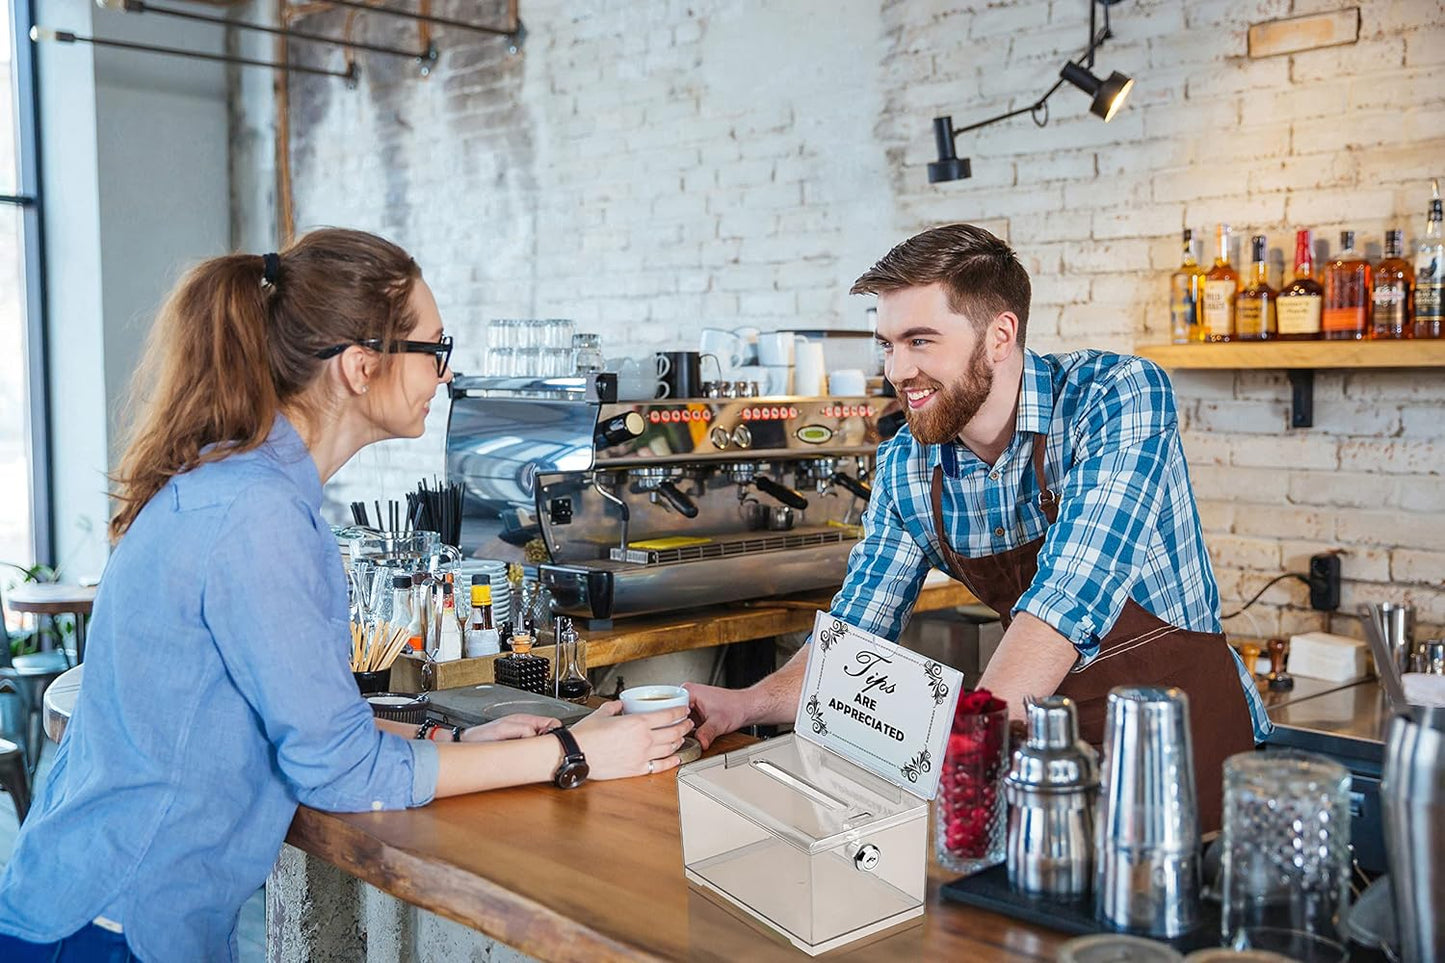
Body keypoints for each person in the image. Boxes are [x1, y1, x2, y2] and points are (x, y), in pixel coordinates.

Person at [0, 229, 691, 962]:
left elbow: (299, 720)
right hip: (112, 926)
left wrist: (453, 738)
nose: (446, 376)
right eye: (435, 347)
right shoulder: (256, 513)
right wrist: (569, 749)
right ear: (362, 366)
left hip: (101, 907)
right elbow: (339, 770)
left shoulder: (242, 487)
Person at [686, 223, 1267, 832]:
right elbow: (855, 633)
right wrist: (743, 703)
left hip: (1181, 740)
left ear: (999, 335)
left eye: (920, 341)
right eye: (886, 344)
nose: (897, 369)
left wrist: (960, 756)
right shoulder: (907, 464)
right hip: (1044, 748)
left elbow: (1068, 599)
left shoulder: (1114, 397)